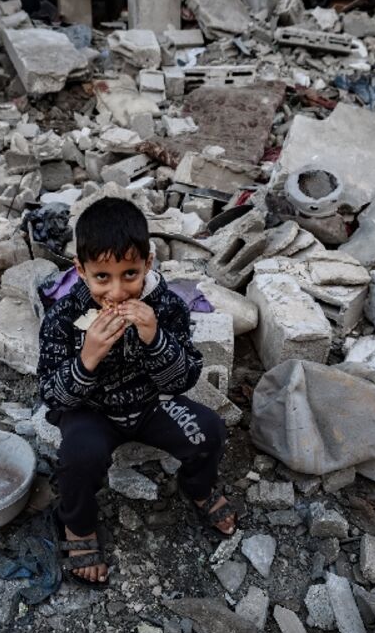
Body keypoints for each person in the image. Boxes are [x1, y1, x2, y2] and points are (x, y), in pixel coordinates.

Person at [38, 197, 237, 585]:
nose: (117, 292)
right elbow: (52, 395)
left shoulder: (167, 307)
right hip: (90, 410)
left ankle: (198, 487)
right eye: (102, 278)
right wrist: (88, 358)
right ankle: (77, 526)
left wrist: (155, 337)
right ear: (81, 271)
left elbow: (182, 381)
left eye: (130, 274)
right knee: (79, 455)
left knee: (208, 430)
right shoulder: (62, 317)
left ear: (148, 263)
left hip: (150, 405)